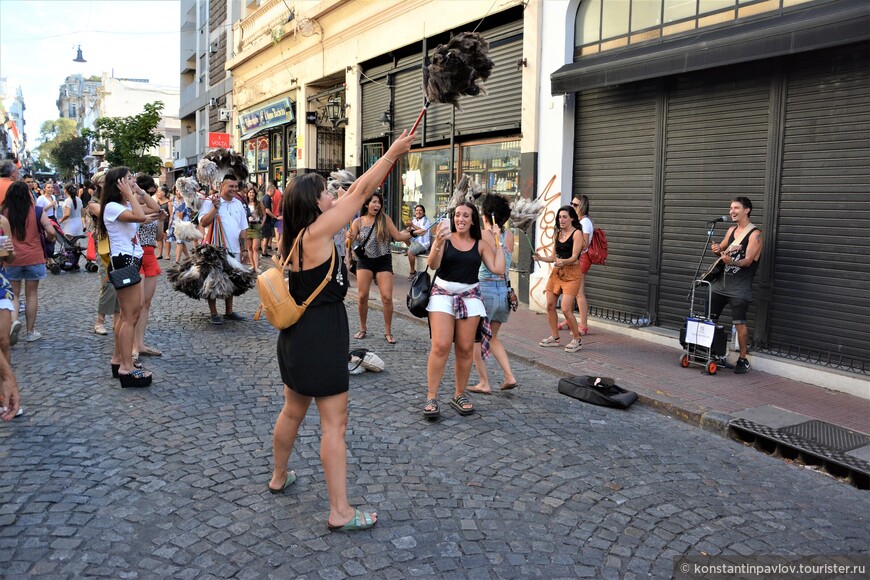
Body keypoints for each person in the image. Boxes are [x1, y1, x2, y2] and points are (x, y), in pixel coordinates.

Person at [268, 129, 416, 532]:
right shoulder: (316, 233)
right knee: (335, 424)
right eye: (326, 193)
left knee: (292, 410)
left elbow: (354, 194)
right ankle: (340, 511)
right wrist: (393, 153)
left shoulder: (293, 238)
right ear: (315, 203)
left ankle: (279, 476)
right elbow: (361, 191)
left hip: (296, 337)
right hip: (321, 334)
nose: (334, 196)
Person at [424, 202, 505, 418]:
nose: (460, 219)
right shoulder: (445, 238)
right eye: (457, 215)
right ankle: (432, 397)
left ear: (472, 220)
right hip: (442, 293)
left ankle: (459, 394)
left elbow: (498, 269)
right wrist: (438, 243)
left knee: (465, 348)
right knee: (440, 345)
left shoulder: (479, 245)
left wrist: (499, 242)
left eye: (466, 216)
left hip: (469, 296)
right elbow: (433, 265)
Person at [98, 166, 151, 388]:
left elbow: (153, 209)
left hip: (131, 261)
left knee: (130, 315)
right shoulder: (111, 206)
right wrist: (131, 195)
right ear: (118, 183)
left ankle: (118, 359)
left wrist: (138, 191)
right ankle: (125, 368)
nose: (132, 181)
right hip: (124, 262)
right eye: (128, 178)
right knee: (129, 317)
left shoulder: (123, 205)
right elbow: (140, 216)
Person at [468, 195, 519, 394]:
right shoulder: (509, 236)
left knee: (476, 338)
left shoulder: (482, 235)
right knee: (494, 337)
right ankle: (509, 375)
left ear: (486, 214)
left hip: (485, 290)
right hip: (503, 292)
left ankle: (484, 382)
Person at [348, 192, 411, 344]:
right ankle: (363, 328)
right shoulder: (358, 222)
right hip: (365, 260)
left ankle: (388, 332)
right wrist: (349, 238)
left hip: (383, 260)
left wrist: (413, 233)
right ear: (366, 204)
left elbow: (397, 236)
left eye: (379, 203)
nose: (377, 205)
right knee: (362, 296)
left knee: (387, 298)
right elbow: (350, 240)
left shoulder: (385, 219)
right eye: (374, 202)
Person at [709, 196, 763, 374]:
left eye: (736, 208)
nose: (731, 211)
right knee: (710, 321)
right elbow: (722, 253)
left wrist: (731, 261)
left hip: (739, 288)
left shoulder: (755, 234)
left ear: (746, 210)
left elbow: (747, 261)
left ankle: (742, 359)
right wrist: (718, 250)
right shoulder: (731, 230)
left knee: (740, 325)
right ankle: (713, 355)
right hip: (719, 285)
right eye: (730, 208)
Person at [1, 181, 55, 344]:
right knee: (32, 294)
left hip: (12, 259)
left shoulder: (4, 212)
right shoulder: (37, 211)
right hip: (34, 257)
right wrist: (48, 239)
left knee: (14, 294)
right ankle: (30, 331)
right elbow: (51, 231)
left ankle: (13, 321)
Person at [535, 205, 585, 353]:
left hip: (572, 274)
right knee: (550, 305)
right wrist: (541, 258)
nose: (561, 220)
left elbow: (575, 257)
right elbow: (553, 257)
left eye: (564, 217)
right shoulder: (557, 234)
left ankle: (577, 339)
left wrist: (563, 261)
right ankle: (555, 338)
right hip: (557, 273)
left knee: (565, 308)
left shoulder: (577, 234)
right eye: (559, 217)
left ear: (572, 218)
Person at [198, 174, 248, 325]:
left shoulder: (238, 203)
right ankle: (214, 313)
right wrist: (215, 208)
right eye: (230, 186)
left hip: (234, 250)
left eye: (235, 186)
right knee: (212, 279)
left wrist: (244, 249)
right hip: (215, 248)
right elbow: (204, 222)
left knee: (231, 279)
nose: (234, 189)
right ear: (222, 186)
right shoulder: (211, 201)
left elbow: (243, 228)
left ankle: (229, 311)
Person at [132, 174, 164, 359]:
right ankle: (133, 346)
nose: (154, 191)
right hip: (136, 253)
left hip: (150, 253)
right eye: (152, 188)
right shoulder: (131, 206)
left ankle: (140, 343)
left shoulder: (151, 206)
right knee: (137, 303)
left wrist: (159, 221)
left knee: (146, 303)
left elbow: (158, 237)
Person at [559, 194, 593, 335]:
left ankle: (583, 326)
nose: (572, 206)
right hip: (575, 259)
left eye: (575, 205)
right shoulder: (579, 221)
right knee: (570, 291)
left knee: (579, 293)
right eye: (571, 203)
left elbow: (584, 244)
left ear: (582, 206)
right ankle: (569, 320)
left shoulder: (585, 223)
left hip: (581, 259)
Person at [404, 204, 431, 280]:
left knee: (410, 252)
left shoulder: (425, 220)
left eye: (420, 210)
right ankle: (411, 248)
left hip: (423, 244)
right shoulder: (414, 219)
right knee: (402, 233)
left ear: (424, 212)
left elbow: (422, 231)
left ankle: (412, 272)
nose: (418, 212)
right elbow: (408, 230)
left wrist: (412, 225)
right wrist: (409, 225)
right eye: (417, 210)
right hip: (415, 241)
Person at [166, 186, 191, 263]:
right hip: (174, 222)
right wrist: (169, 224)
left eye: (180, 191)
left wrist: (186, 216)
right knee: (180, 241)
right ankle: (188, 257)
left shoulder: (187, 201)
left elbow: (192, 211)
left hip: (184, 223)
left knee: (180, 241)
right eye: (177, 190)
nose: (178, 192)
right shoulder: (172, 200)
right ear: (174, 191)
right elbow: (171, 213)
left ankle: (177, 260)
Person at [244, 186, 265, 271]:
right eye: (250, 192)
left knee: (255, 248)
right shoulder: (245, 204)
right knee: (249, 247)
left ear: (255, 194)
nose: (251, 194)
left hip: (256, 226)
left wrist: (262, 224)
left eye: (253, 192)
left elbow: (264, 215)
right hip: (247, 226)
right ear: (247, 194)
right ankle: (252, 265)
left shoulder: (259, 203)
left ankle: (256, 267)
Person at [154, 185, 172, 259]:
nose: (157, 193)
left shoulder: (168, 203)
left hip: (166, 222)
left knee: (166, 239)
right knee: (159, 238)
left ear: (164, 193)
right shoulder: (157, 202)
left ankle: (167, 254)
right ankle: (159, 253)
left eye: (159, 192)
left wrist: (170, 223)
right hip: (158, 222)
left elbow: (171, 214)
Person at [260, 184, 275, 258]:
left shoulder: (264, 197)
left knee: (266, 236)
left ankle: (264, 251)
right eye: (274, 191)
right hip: (266, 221)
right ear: (270, 190)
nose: (275, 193)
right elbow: (267, 210)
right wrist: (274, 216)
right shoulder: (267, 198)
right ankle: (264, 252)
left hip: (265, 220)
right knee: (266, 237)